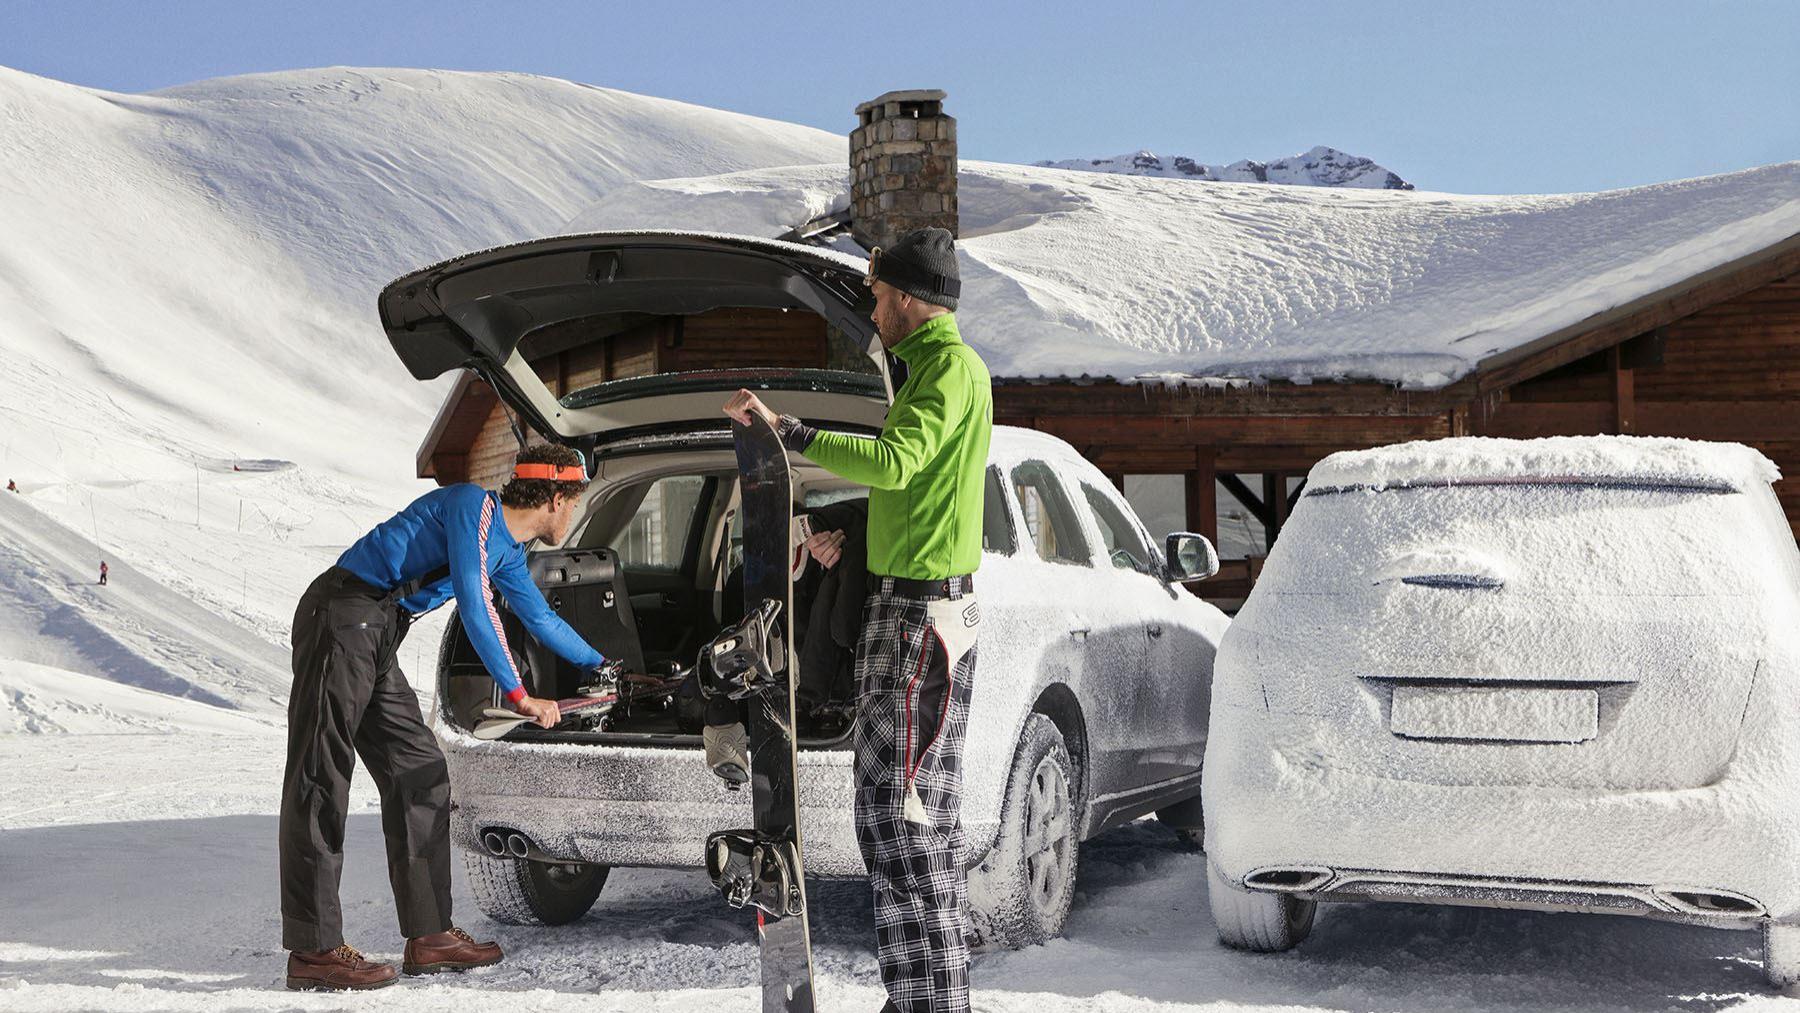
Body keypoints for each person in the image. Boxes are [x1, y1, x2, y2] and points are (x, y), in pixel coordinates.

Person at [724, 227, 991, 1013]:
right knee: (907, 822)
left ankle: (931, 1004)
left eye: (878, 294)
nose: (872, 307)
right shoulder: (935, 370)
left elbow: (898, 461)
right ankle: (923, 995)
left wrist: (795, 433)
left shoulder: (946, 371)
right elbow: (918, 492)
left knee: (903, 823)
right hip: (914, 609)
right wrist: (851, 532)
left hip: (922, 622)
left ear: (908, 296)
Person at [280, 442, 616, 991]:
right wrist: (519, 695)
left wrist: (605, 665)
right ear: (556, 497)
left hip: (378, 631)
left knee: (421, 772)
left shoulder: (507, 551)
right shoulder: (470, 508)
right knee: (320, 776)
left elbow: (538, 618)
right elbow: (475, 603)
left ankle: (430, 936)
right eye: (574, 502)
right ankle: (314, 949)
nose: (573, 514)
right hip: (342, 614)